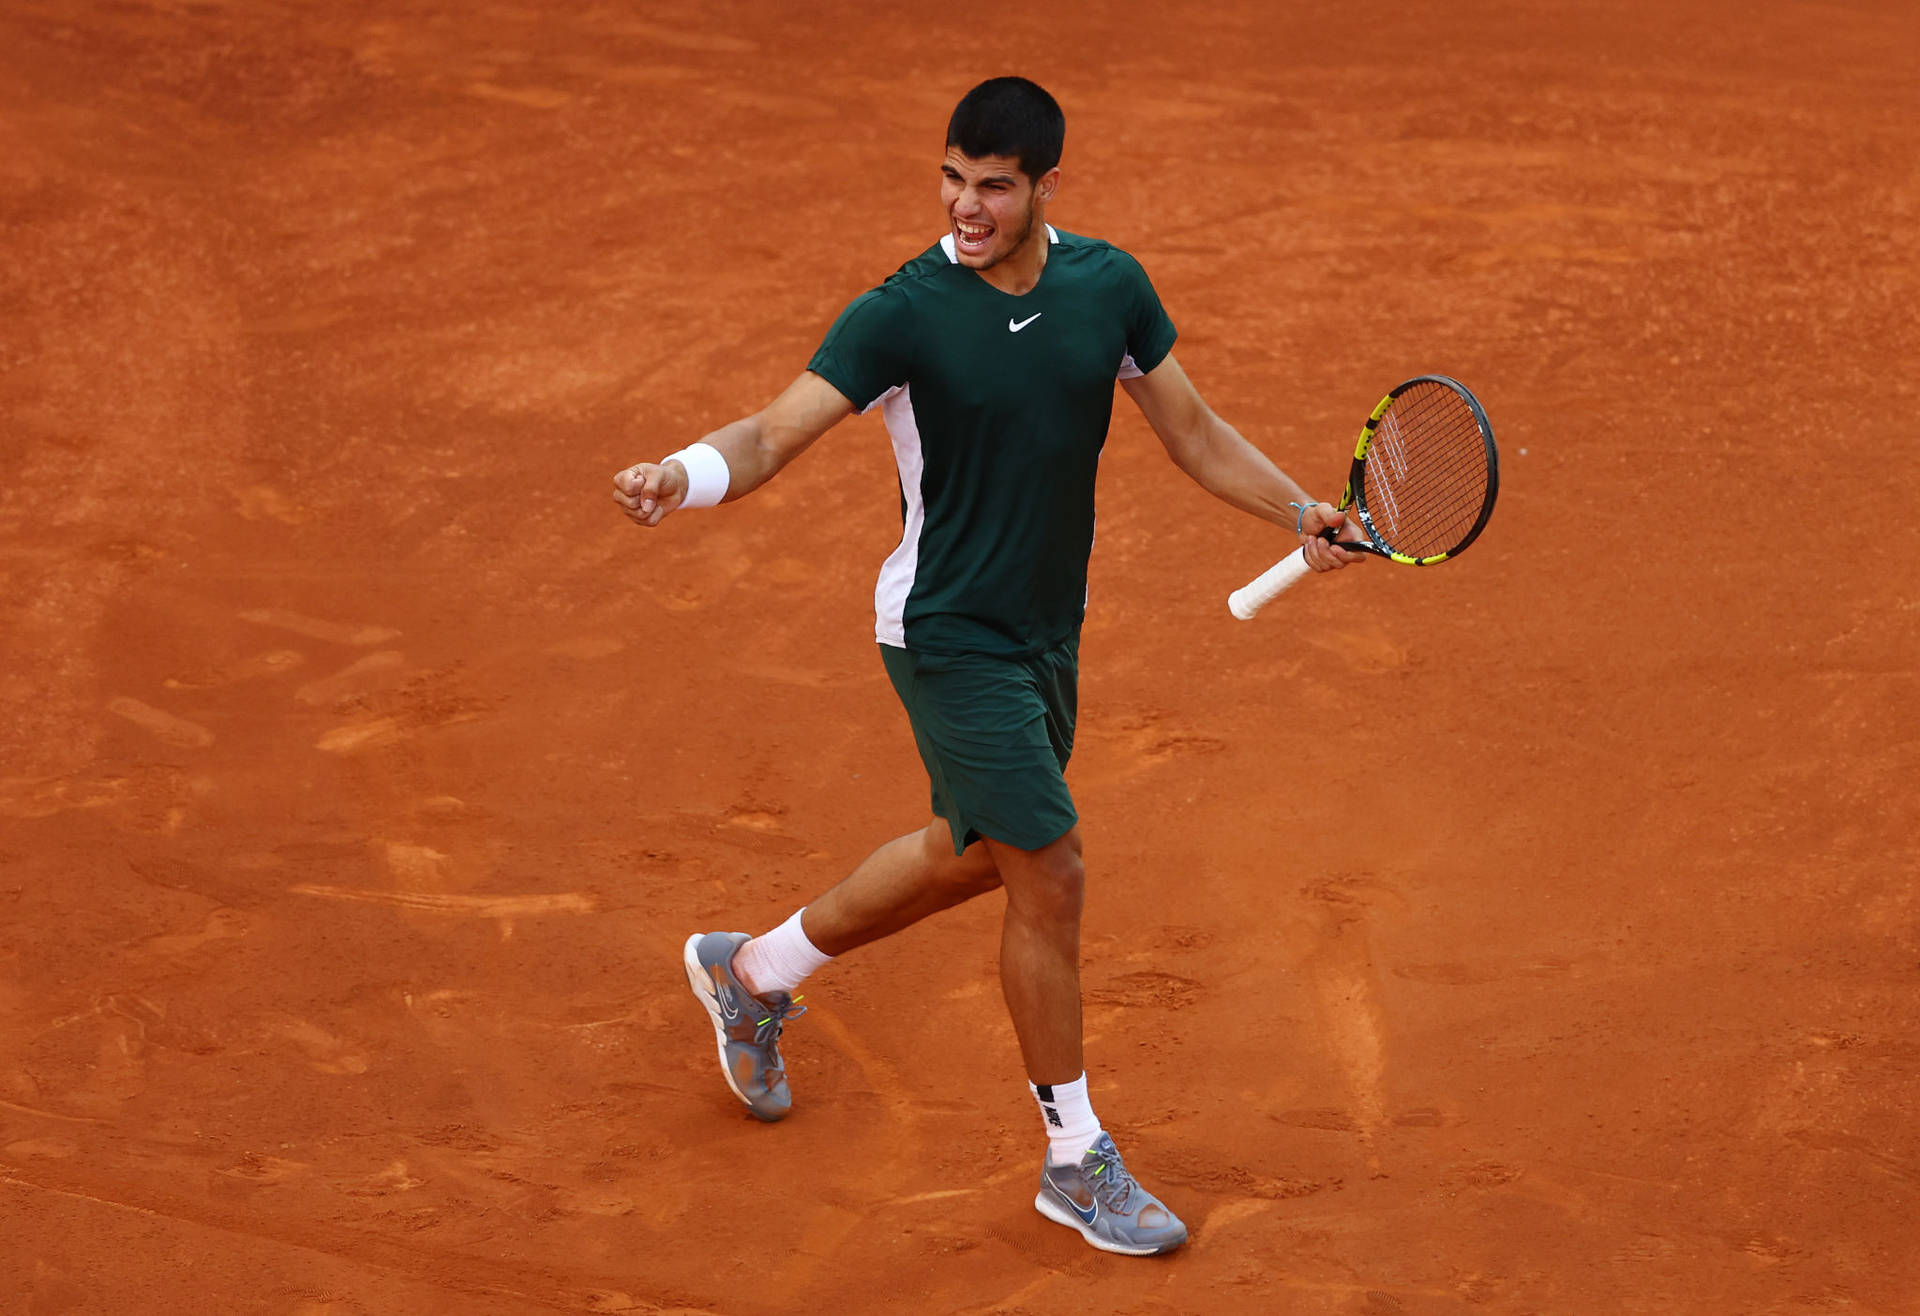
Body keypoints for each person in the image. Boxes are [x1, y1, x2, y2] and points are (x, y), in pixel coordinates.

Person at [614, 76, 1361, 1257]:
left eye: (995, 187)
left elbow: (1195, 432)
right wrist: (679, 472)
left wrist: (1300, 509)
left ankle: (752, 971)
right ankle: (1075, 1158)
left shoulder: (1107, 288)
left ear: (1046, 186)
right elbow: (768, 432)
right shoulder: (904, 314)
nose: (966, 206)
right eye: (953, 179)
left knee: (970, 853)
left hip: (1045, 634)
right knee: (1049, 870)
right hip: (945, 634)